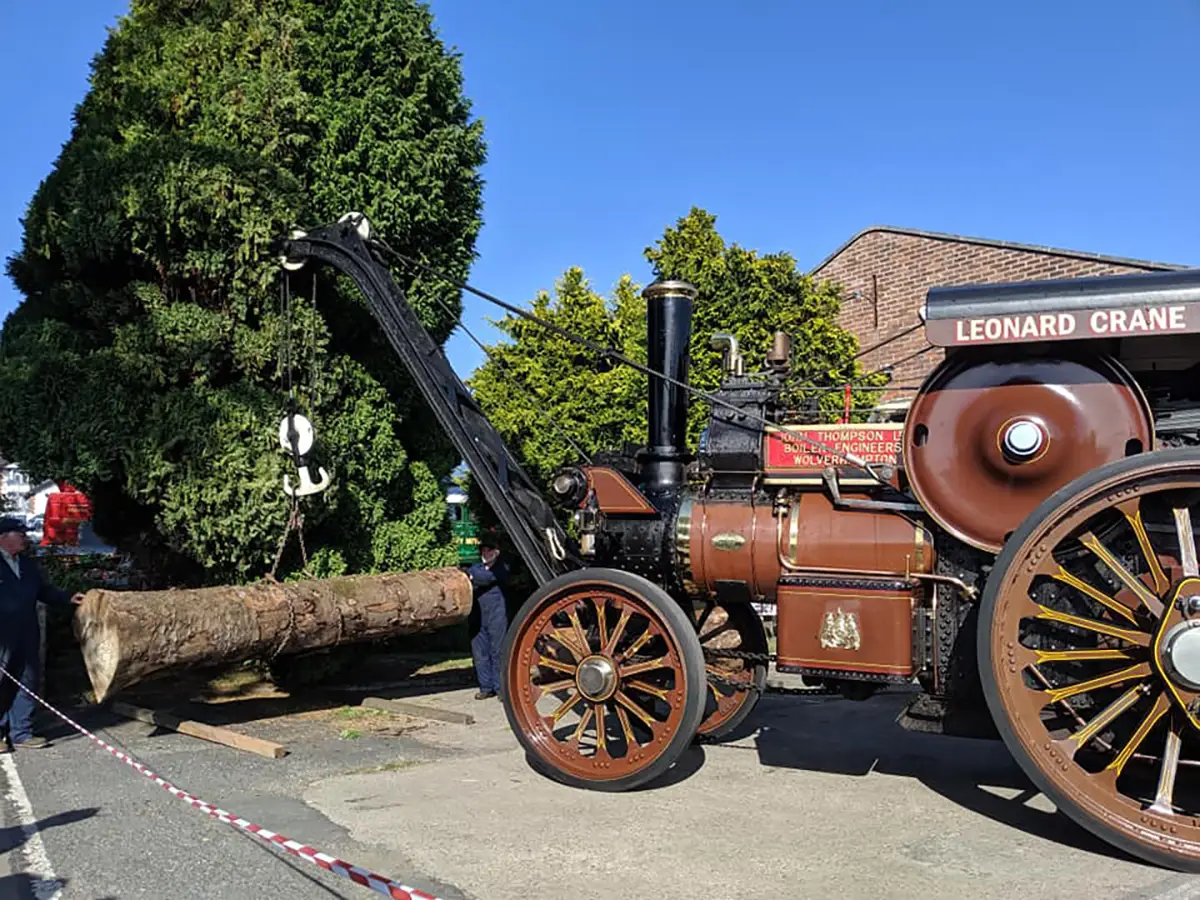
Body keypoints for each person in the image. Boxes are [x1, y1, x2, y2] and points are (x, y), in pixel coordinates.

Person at [0, 517, 83, 751]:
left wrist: (67, 597)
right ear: (3, 537)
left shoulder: (27, 565)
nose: (25, 538)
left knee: (27, 680)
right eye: (20, 534)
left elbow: (43, 591)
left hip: (27, 633)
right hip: (2, 636)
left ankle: (21, 732)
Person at [466, 536, 509, 700]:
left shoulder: (501, 568)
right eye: (483, 550)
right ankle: (486, 687)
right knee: (480, 652)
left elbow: (486, 578)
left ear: (496, 552)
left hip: (496, 615)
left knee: (498, 651)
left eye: (489, 550)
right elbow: (472, 575)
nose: (485, 553)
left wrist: (472, 576)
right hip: (478, 614)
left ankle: (500, 688)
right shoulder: (475, 567)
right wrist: (471, 575)